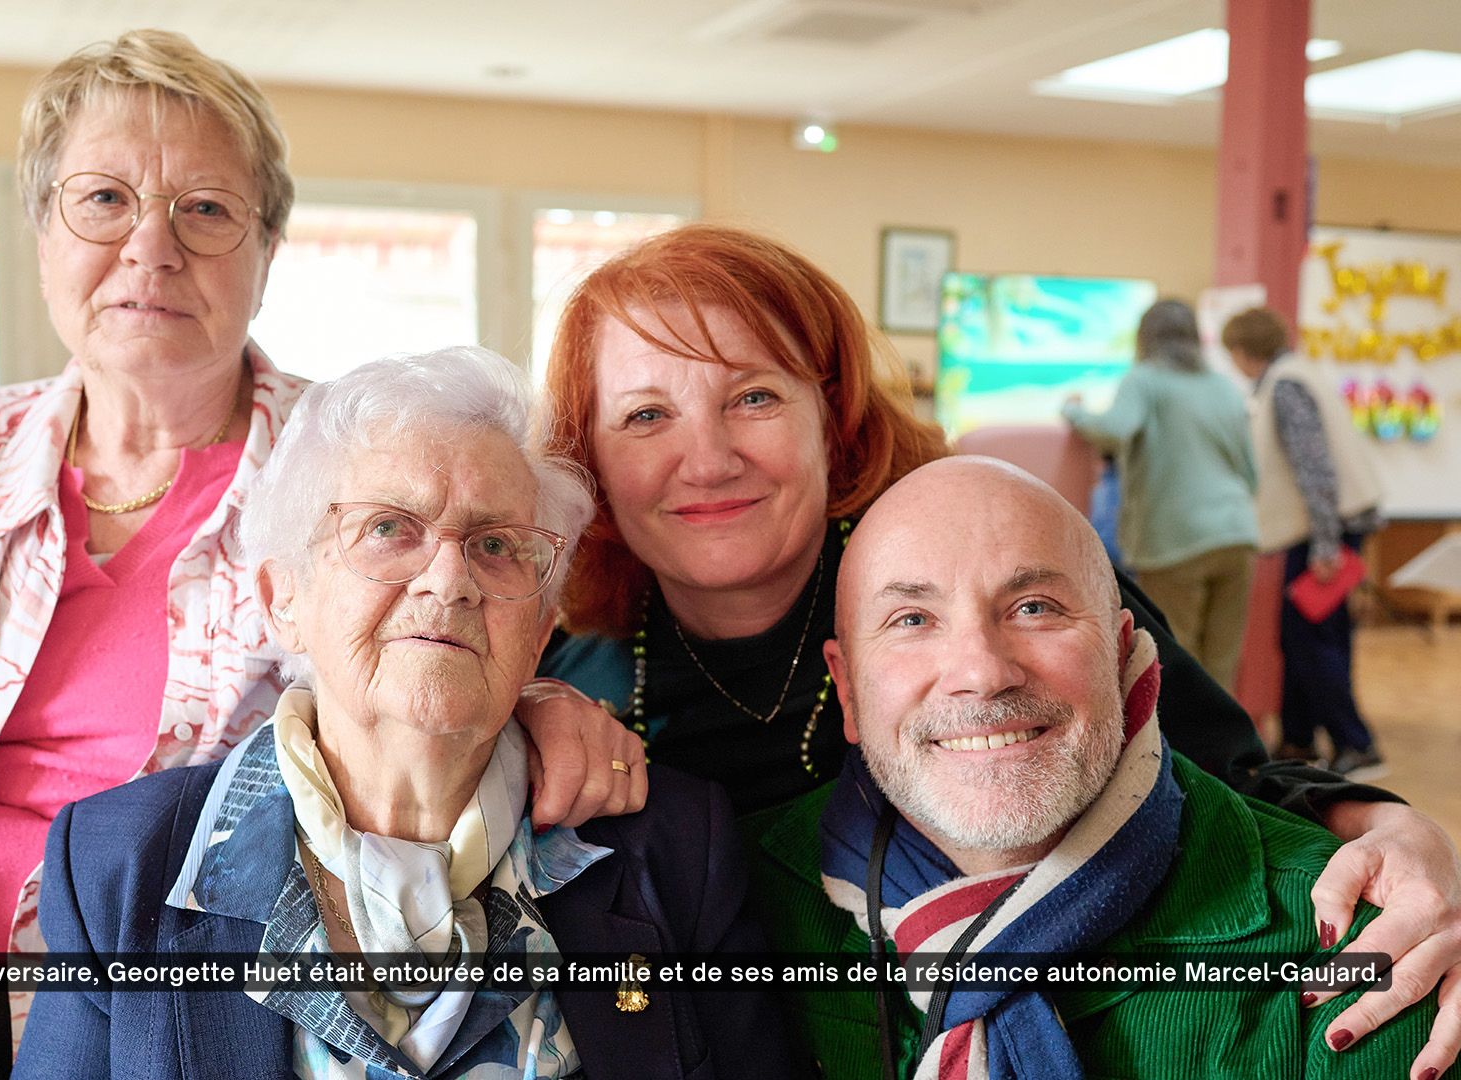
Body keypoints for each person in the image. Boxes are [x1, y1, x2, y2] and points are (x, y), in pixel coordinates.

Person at [0, 31, 636, 1080]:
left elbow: (435, 649)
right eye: (103, 200)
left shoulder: (354, 470)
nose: (151, 247)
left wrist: (525, 704)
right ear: (42, 229)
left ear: (267, 253)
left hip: (182, 1026)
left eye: (206, 210)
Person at [533, 223, 1461, 1076]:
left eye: (755, 396)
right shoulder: (572, 666)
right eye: (646, 416)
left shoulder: (1002, 586)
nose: (708, 458)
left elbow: (1228, 776)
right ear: (589, 461)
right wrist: (517, 719)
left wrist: (1389, 832)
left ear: (834, 418)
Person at [14, 348, 796, 1079]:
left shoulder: (675, 851)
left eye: (496, 544)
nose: (449, 581)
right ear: (283, 599)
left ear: (539, 632)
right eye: (390, 530)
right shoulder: (123, 862)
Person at [759, 456, 1433, 1076]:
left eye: (1034, 608)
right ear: (846, 690)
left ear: (1120, 654)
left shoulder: (1363, 948)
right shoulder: (734, 899)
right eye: (911, 619)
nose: (983, 673)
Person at [1060, 298, 1261, 691]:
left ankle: (1186, 752)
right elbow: (1250, 472)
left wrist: (1074, 412)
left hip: (1176, 540)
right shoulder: (1222, 386)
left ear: (1145, 338)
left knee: (1178, 657)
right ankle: (1224, 751)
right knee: (1222, 659)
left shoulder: (1145, 379)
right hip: (1236, 534)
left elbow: (1114, 429)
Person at [1223, 307, 1386, 778]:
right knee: (1304, 640)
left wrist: (1326, 548)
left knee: (1313, 643)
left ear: (1242, 351)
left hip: (1326, 533)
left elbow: (1315, 470)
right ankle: (1296, 740)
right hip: (1325, 530)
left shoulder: (1286, 385)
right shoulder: (1296, 374)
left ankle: (1358, 744)